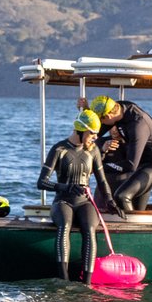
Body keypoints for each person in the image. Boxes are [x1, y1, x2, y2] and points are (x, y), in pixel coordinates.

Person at [36, 113, 106, 281]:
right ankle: (64, 280)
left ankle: (87, 283)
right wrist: (65, 187)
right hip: (63, 201)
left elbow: (102, 181)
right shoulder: (60, 149)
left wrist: (111, 200)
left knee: (90, 229)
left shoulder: (93, 150)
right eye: (92, 133)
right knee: (64, 225)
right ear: (80, 130)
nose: (95, 138)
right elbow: (41, 182)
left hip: (84, 202)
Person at [97, 98, 152, 211]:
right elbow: (94, 133)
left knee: (122, 196)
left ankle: (130, 227)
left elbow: (130, 165)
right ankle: (137, 226)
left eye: (101, 121)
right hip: (142, 163)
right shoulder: (119, 109)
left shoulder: (137, 125)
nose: (101, 124)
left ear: (108, 116)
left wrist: (99, 168)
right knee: (138, 208)